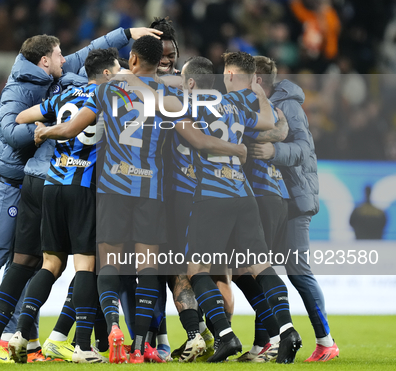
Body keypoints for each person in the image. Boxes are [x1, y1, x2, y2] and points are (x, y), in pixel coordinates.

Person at [34, 36, 248, 363]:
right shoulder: (169, 95)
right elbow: (198, 141)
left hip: (113, 189)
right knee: (149, 266)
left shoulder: (107, 90)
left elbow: (69, 130)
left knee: (108, 262)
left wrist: (43, 132)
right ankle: (139, 347)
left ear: (132, 58)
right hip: (151, 191)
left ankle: (114, 327)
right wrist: (235, 149)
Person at [0, 26, 162, 364]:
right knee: (86, 267)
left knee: (41, 264)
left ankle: (6, 338)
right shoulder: (114, 98)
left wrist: (41, 132)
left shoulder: (62, 96)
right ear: (109, 73)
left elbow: (21, 118)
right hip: (85, 189)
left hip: (46, 183)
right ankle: (83, 345)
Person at [185, 52, 301, 363]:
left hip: (212, 193)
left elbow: (194, 138)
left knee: (197, 269)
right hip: (244, 193)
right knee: (260, 266)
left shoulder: (198, 101)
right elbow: (270, 122)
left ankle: (225, 335)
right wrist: (259, 93)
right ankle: (288, 330)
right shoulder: (241, 103)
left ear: (230, 74)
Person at [249, 55, 339, 362]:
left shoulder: (288, 106)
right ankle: (266, 342)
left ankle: (326, 341)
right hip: (277, 199)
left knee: (298, 272)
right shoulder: (266, 104)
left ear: (257, 80)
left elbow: (304, 149)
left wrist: (274, 151)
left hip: (295, 200)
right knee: (265, 271)